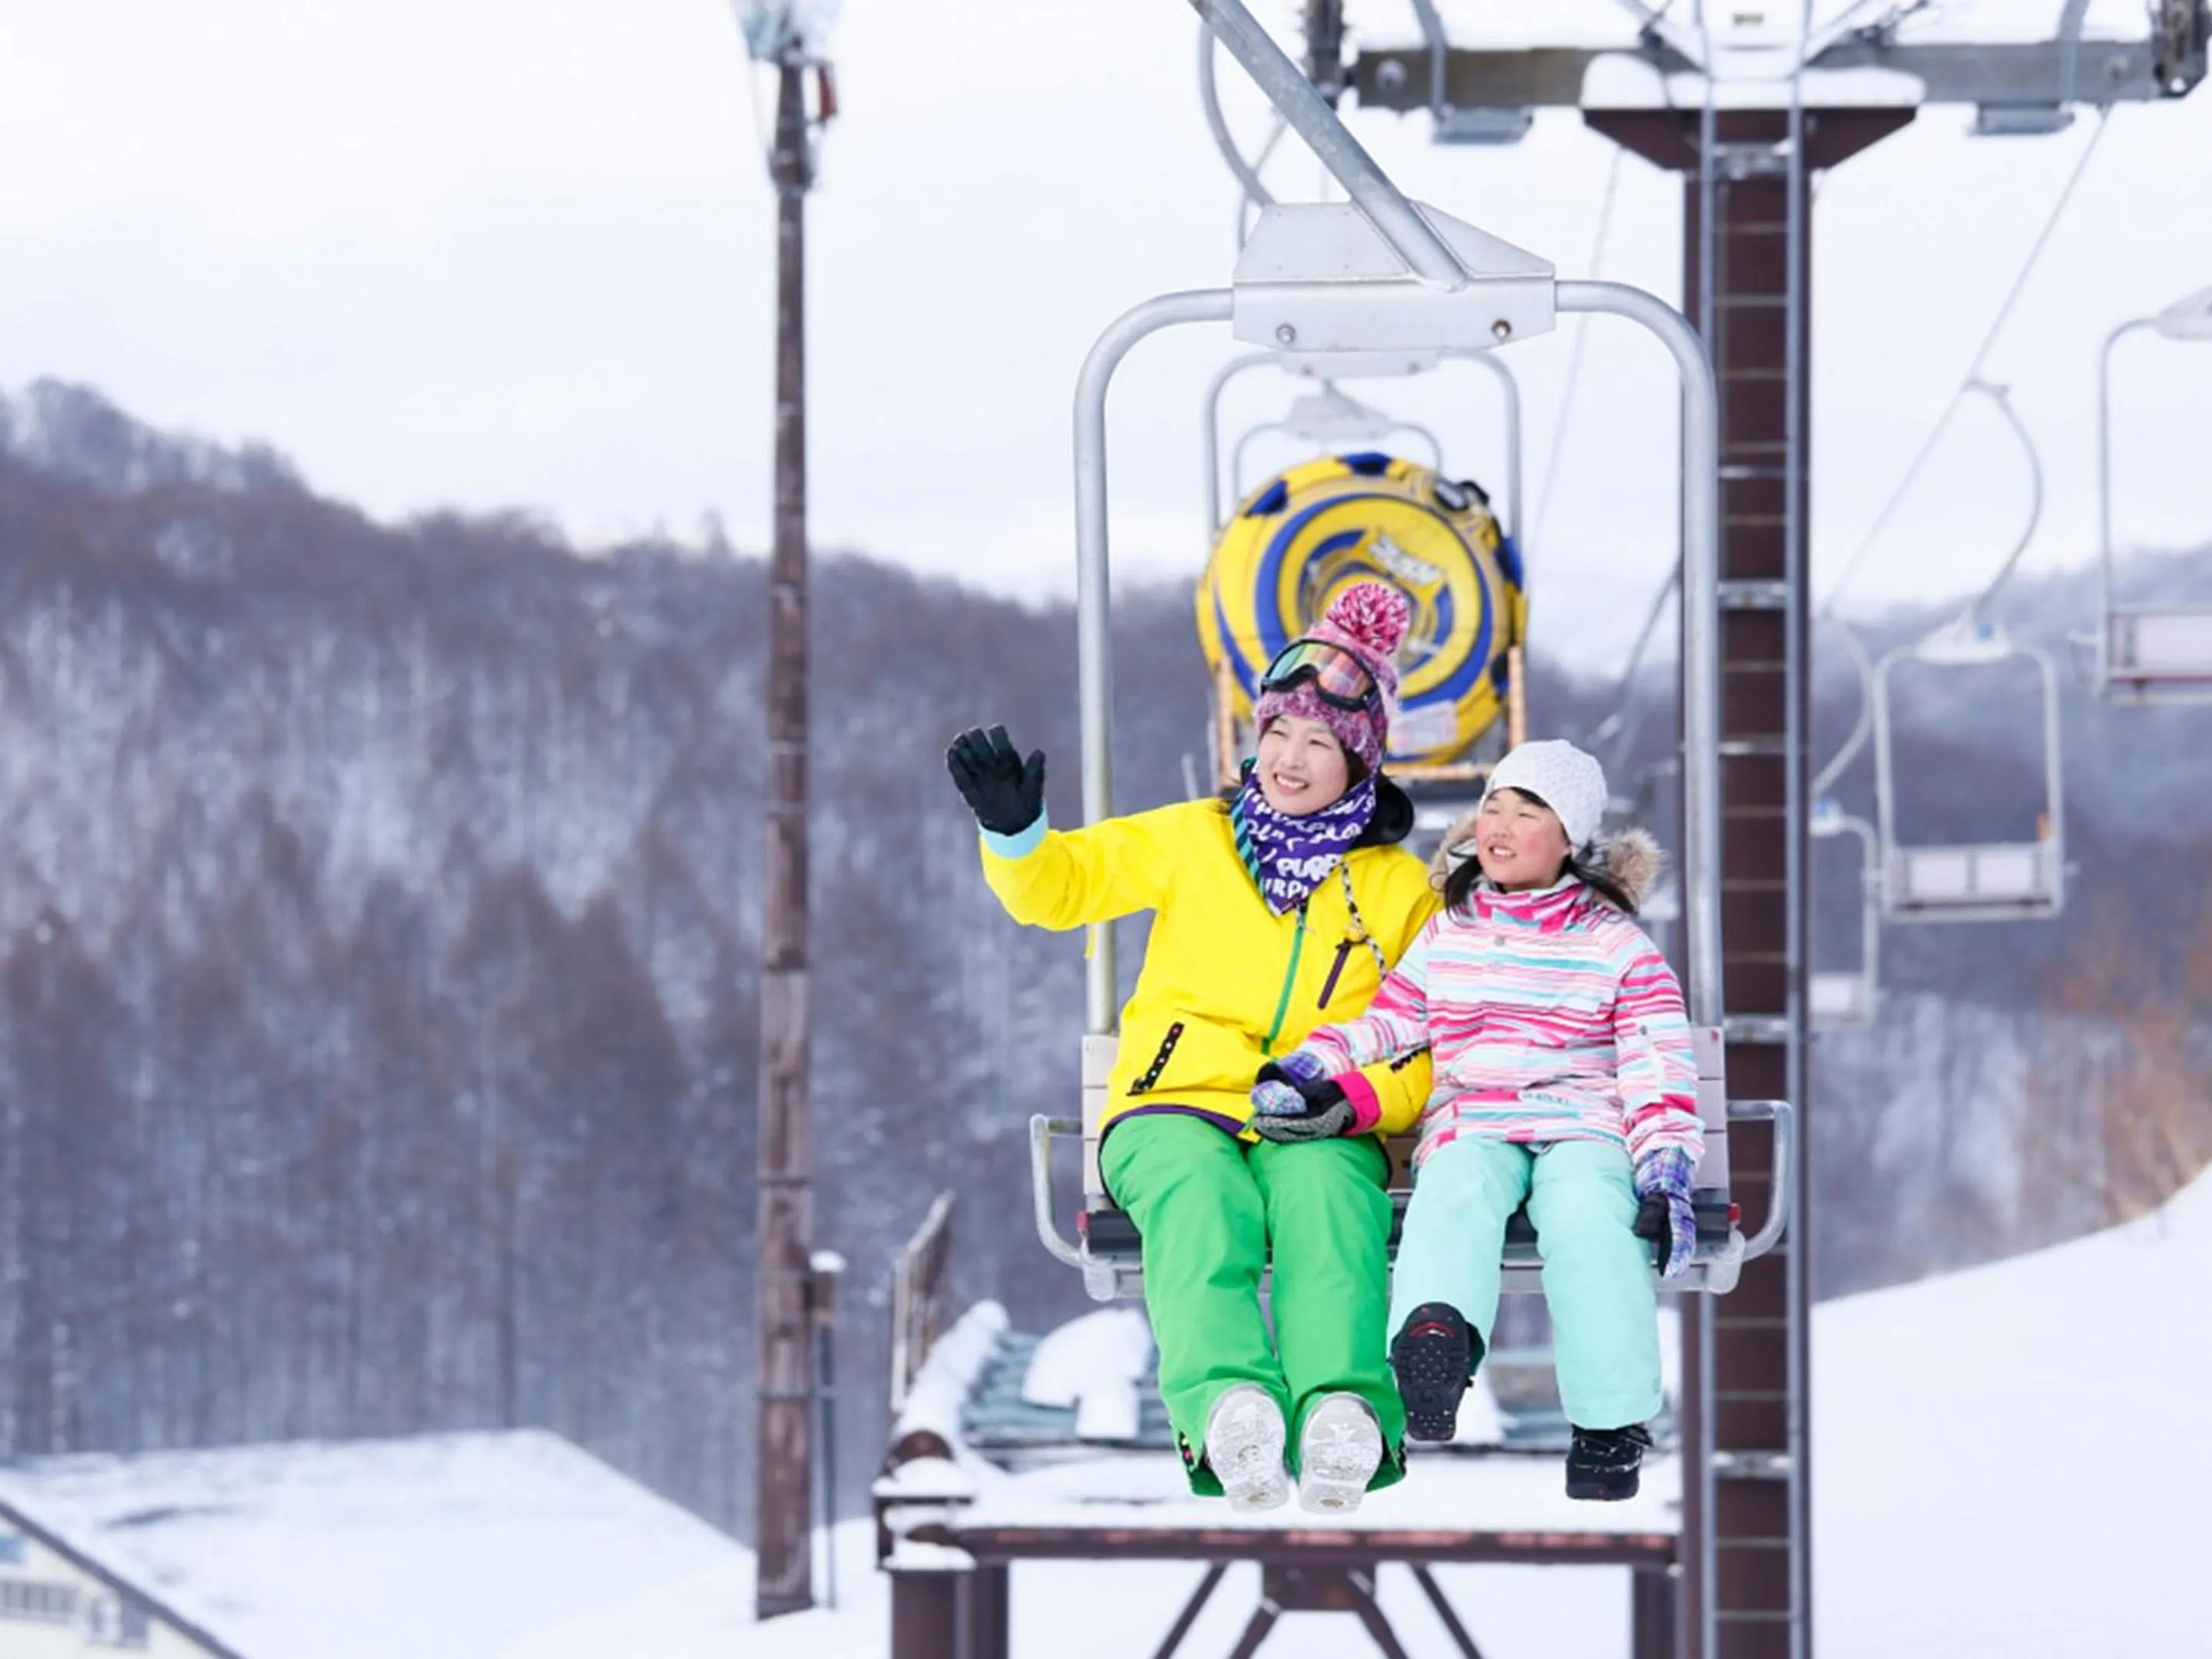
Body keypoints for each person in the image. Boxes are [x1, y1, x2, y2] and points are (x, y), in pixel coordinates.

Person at [945, 583, 1439, 1515]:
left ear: (1360, 762)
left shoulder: (1395, 888)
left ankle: (1343, 1410)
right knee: (1199, 1203)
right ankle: (1227, 1405)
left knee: (1330, 1202)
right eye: (1280, 736)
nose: (1290, 762)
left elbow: (1424, 1039)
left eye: (1319, 746)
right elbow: (1062, 888)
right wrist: (1015, 833)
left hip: (1315, 1107)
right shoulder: (1196, 840)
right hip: (1174, 1100)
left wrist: (1361, 1104)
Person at [1251, 738, 1699, 1501]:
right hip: (1477, 1119)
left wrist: (1665, 1171)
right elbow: (1391, 1020)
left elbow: (1657, 1064)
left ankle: (1609, 1425)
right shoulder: (1451, 930)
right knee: (1452, 1194)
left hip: (1583, 1123)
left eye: (1528, 813)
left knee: (1592, 1224)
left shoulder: (1616, 945)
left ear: (1570, 842)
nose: (1500, 823)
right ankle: (1437, 1339)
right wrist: (1311, 1065)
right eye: (1494, 805)